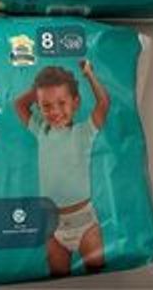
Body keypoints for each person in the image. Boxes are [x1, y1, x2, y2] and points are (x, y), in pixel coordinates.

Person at [14, 60, 110, 276]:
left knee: (97, 274)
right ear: (39, 106)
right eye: (46, 106)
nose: (55, 111)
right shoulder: (41, 130)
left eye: (61, 103)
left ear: (76, 103)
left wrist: (89, 75)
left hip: (85, 224)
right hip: (53, 227)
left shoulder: (85, 132)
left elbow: (103, 103)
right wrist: (38, 89)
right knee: (59, 278)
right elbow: (19, 105)